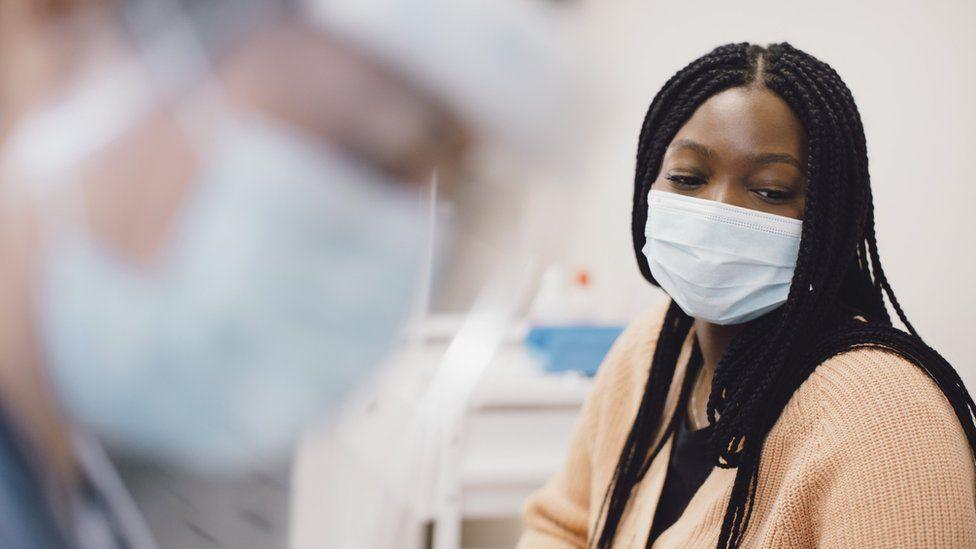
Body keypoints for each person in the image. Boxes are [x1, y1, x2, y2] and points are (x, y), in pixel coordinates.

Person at [0, 0, 576, 547]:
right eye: (374, 143)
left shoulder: (68, 485)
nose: (384, 240)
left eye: (449, 180)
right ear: (65, 22)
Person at [518, 42, 976, 548]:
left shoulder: (888, 421)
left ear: (828, 218)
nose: (718, 211)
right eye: (688, 178)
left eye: (771, 190)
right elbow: (561, 527)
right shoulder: (653, 348)